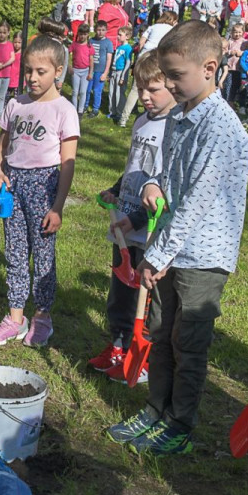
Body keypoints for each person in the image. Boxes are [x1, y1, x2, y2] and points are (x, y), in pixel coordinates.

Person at [105, 21, 248, 456]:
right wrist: (150, 186)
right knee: (161, 333)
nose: (168, 84)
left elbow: (198, 200)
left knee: (188, 342)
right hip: (169, 248)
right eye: (164, 76)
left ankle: (180, 422)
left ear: (210, 67)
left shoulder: (222, 129)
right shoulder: (181, 117)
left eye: (175, 76)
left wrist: (156, 253)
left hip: (201, 256)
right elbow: (169, 178)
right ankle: (155, 410)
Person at [0, 36, 79, 347]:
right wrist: (0, 172)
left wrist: (58, 206)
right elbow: (2, 144)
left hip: (45, 188)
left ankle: (42, 317)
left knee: (43, 255)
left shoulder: (64, 110)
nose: (33, 78)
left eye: (40, 71)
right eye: (28, 71)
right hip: (14, 186)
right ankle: (15, 318)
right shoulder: (15, 104)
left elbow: (67, 162)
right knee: (14, 251)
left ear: (58, 71)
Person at [89, 51, 175, 382]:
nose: (144, 97)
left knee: (144, 296)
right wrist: (115, 189)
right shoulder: (141, 122)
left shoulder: (174, 128)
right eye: (140, 88)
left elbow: (165, 184)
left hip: (147, 228)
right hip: (123, 223)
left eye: (153, 89)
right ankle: (118, 346)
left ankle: (143, 358)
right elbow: (134, 166)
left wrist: (138, 218)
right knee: (120, 291)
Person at [117, 11, 176, 125]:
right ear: (172, 20)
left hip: (143, 56)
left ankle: (123, 118)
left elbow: (141, 42)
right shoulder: (171, 30)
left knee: (136, 88)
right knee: (154, 87)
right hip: (157, 58)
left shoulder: (153, 27)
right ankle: (152, 114)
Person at [88, 20, 115, 118]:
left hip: (100, 70)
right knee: (87, 89)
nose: (100, 32)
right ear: (95, 30)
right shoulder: (91, 41)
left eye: (103, 30)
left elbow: (109, 59)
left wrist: (105, 73)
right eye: (98, 30)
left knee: (97, 90)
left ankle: (95, 109)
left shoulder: (108, 43)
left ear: (106, 31)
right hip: (90, 69)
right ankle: (84, 106)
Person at [108, 26, 134, 121]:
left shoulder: (128, 48)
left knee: (119, 93)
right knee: (112, 92)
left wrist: (123, 76)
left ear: (127, 36)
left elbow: (128, 62)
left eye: (120, 35)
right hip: (114, 71)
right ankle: (112, 111)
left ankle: (119, 112)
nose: (118, 36)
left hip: (121, 72)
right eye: (117, 34)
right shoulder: (119, 47)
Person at [69, 24, 94, 114]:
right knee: (75, 91)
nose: (82, 36)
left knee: (83, 92)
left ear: (88, 35)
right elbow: (67, 54)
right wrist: (69, 66)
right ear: (78, 34)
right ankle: (74, 109)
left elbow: (91, 60)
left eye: (85, 34)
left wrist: (90, 73)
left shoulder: (89, 46)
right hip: (75, 71)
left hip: (85, 71)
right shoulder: (74, 44)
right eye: (81, 34)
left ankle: (80, 110)